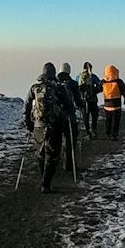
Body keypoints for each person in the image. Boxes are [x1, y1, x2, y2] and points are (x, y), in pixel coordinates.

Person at [22, 62, 78, 192]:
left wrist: (28, 123)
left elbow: (27, 105)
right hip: (54, 126)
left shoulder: (35, 88)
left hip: (38, 125)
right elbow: (70, 107)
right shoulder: (59, 88)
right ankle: (45, 184)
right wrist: (69, 116)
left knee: (41, 153)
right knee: (52, 155)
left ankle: (43, 179)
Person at [101, 64, 125, 139]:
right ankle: (114, 135)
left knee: (108, 119)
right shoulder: (119, 81)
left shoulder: (103, 81)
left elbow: (98, 89)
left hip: (107, 105)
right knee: (116, 120)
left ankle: (108, 132)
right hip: (116, 105)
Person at [76, 62, 103, 136]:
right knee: (94, 114)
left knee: (86, 115)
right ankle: (94, 129)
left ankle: (87, 130)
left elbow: (76, 87)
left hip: (83, 99)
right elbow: (100, 85)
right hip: (92, 99)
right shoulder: (93, 76)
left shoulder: (79, 77)